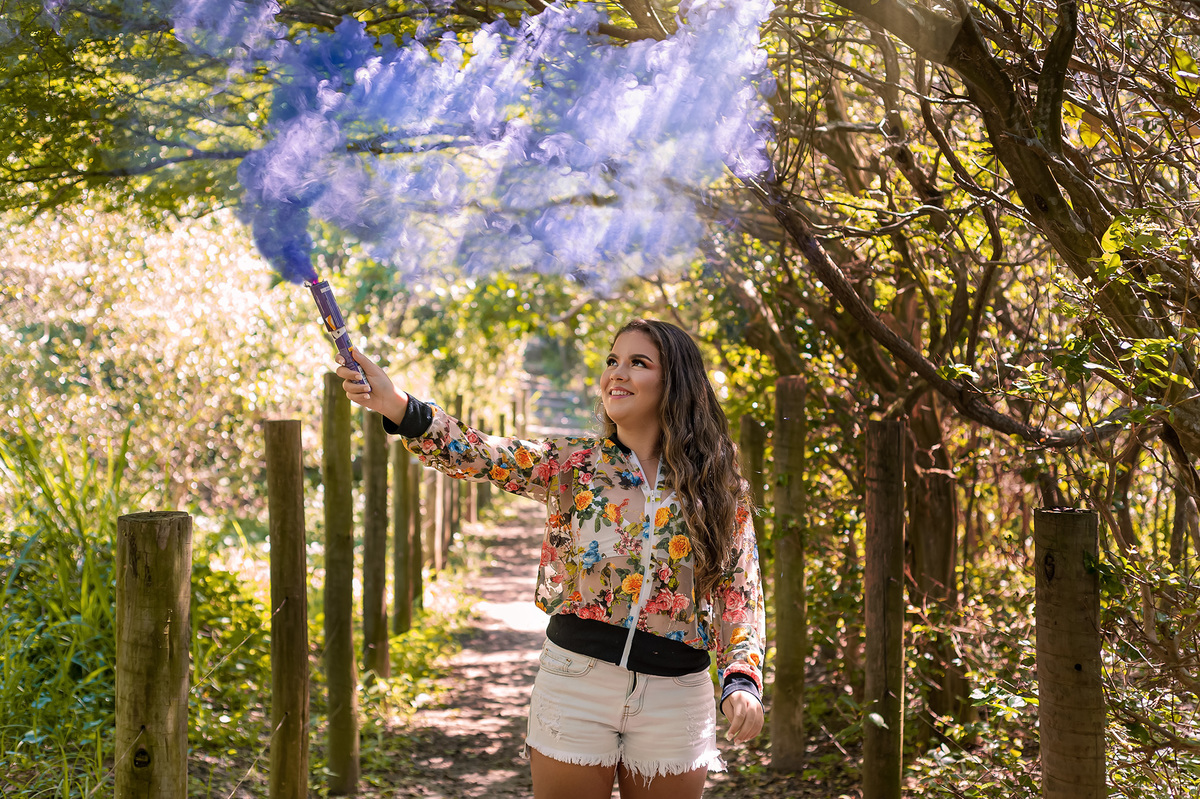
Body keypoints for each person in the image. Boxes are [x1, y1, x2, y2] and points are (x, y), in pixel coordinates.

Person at [336, 319, 765, 799]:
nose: (615, 374)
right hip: (576, 683)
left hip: (676, 697)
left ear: (675, 383)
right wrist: (397, 405)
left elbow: (738, 591)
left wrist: (742, 678)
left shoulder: (717, 483)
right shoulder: (575, 464)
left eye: (637, 363)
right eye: (612, 361)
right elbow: (484, 453)